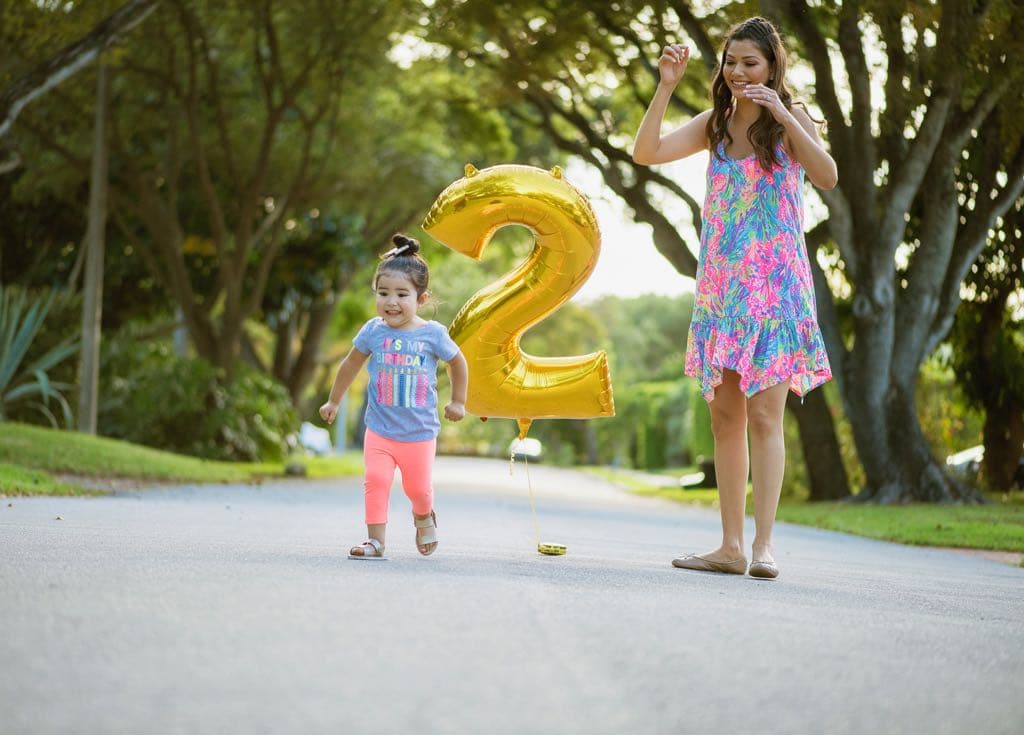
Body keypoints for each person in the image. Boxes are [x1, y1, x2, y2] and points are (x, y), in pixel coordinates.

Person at [632, 17, 836, 579]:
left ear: (772, 66)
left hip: (775, 292)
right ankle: (730, 546)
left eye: (751, 63)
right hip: (721, 293)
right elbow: (646, 152)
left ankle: (764, 547)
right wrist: (665, 87)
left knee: (766, 417)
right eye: (732, 62)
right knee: (726, 418)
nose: (740, 72)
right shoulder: (714, 124)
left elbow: (827, 176)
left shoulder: (791, 121)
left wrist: (784, 116)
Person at [319, 234, 468, 560]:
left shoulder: (432, 334)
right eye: (383, 292)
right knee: (375, 480)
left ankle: (423, 516)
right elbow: (350, 364)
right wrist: (334, 401)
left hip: (419, 432)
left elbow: (458, 362)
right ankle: (375, 541)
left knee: (418, 489)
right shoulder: (374, 331)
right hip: (380, 429)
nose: (391, 302)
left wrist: (458, 401)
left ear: (421, 298)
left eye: (402, 294)